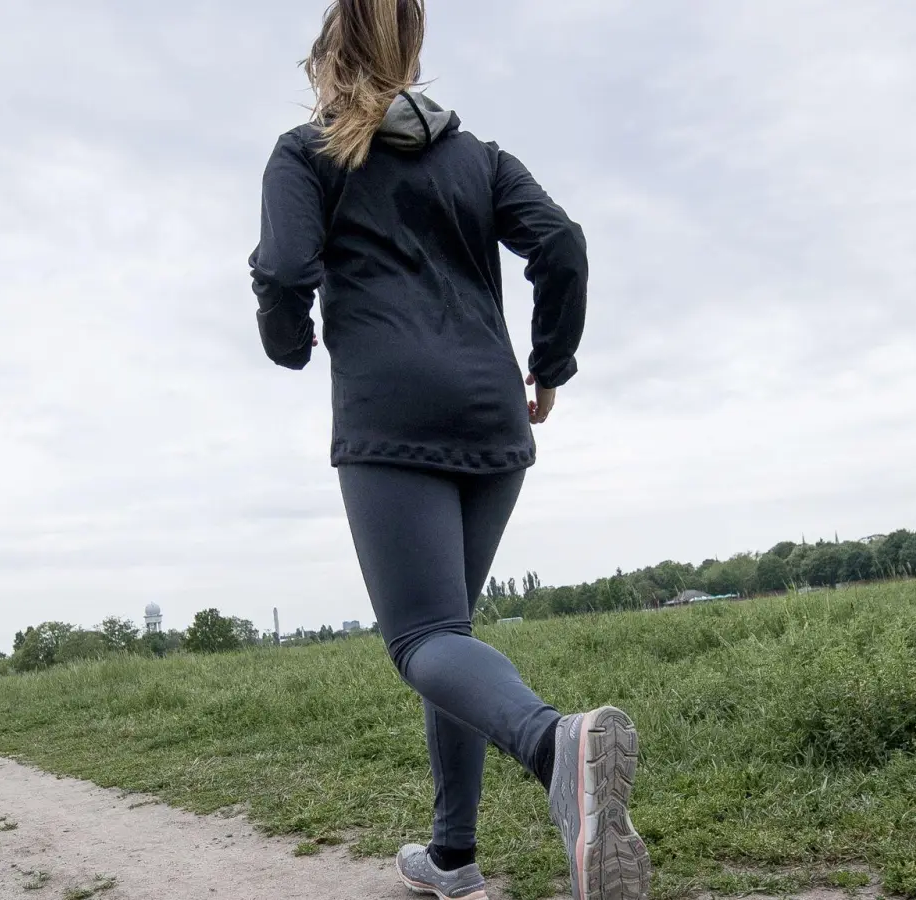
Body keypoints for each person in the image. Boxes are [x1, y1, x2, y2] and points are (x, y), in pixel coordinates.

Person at [248, 2, 649, 900]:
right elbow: (561, 244)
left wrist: (287, 342)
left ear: (326, 60)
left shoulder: (307, 152)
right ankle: (453, 855)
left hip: (393, 414)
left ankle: (556, 746)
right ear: (412, 52)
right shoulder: (481, 159)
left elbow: (281, 270)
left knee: (423, 636)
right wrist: (550, 365)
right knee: (451, 633)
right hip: (493, 419)